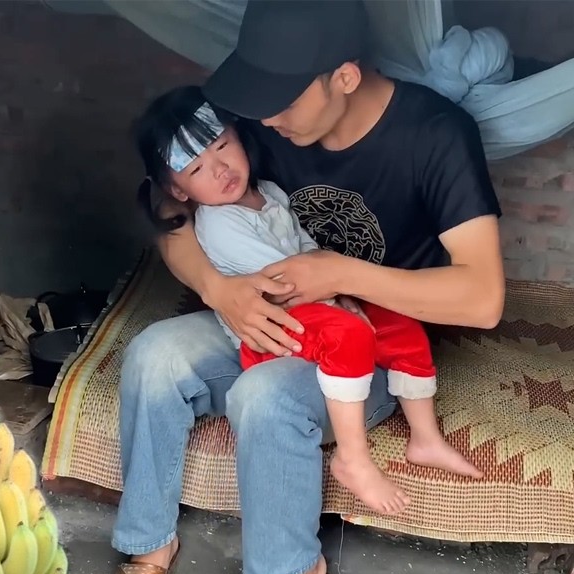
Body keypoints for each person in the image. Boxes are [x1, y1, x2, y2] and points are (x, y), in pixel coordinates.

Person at [104, 0, 504, 574]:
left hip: (365, 345)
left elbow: (483, 296)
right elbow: (169, 208)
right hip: (276, 322)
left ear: (343, 77)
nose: (261, 120)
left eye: (278, 104)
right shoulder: (264, 124)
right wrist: (218, 289)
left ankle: (294, 571)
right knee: (152, 355)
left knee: (264, 396)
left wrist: (342, 273)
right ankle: (150, 538)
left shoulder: (435, 134)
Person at [136, 85, 482, 518]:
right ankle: (353, 459)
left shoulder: (270, 194)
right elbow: (284, 281)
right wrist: (338, 294)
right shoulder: (221, 224)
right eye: (199, 169)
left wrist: (343, 288)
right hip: (278, 326)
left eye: (223, 146)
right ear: (180, 191)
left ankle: (425, 438)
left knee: (401, 322)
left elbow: (307, 248)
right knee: (349, 333)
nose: (221, 168)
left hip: (318, 301)